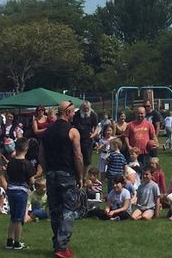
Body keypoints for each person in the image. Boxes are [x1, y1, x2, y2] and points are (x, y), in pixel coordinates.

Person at [42, 101, 85, 258]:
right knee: (68, 210)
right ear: (67, 112)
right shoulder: (72, 131)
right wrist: (80, 176)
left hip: (51, 174)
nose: (74, 115)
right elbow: (78, 155)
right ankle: (61, 246)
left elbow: (41, 155)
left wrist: (47, 171)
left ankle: (57, 244)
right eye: (73, 112)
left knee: (55, 211)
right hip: (66, 174)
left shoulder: (46, 132)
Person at [5, 138, 35, 250]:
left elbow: (8, 175)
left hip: (11, 190)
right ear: (26, 149)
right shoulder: (27, 164)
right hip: (21, 191)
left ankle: (9, 240)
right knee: (19, 218)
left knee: (13, 216)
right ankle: (17, 242)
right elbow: (32, 180)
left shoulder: (11, 162)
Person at [72, 101, 101, 168]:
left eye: (87, 108)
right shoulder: (76, 114)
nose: (86, 110)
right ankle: (78, 175)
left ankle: (84, 176)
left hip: (88, 140)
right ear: (81, 108)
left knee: (87, 161)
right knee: (77, 158)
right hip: (77, 139)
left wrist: (93, 134)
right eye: (84, 108)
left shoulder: (93, 115)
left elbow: (97, 126)